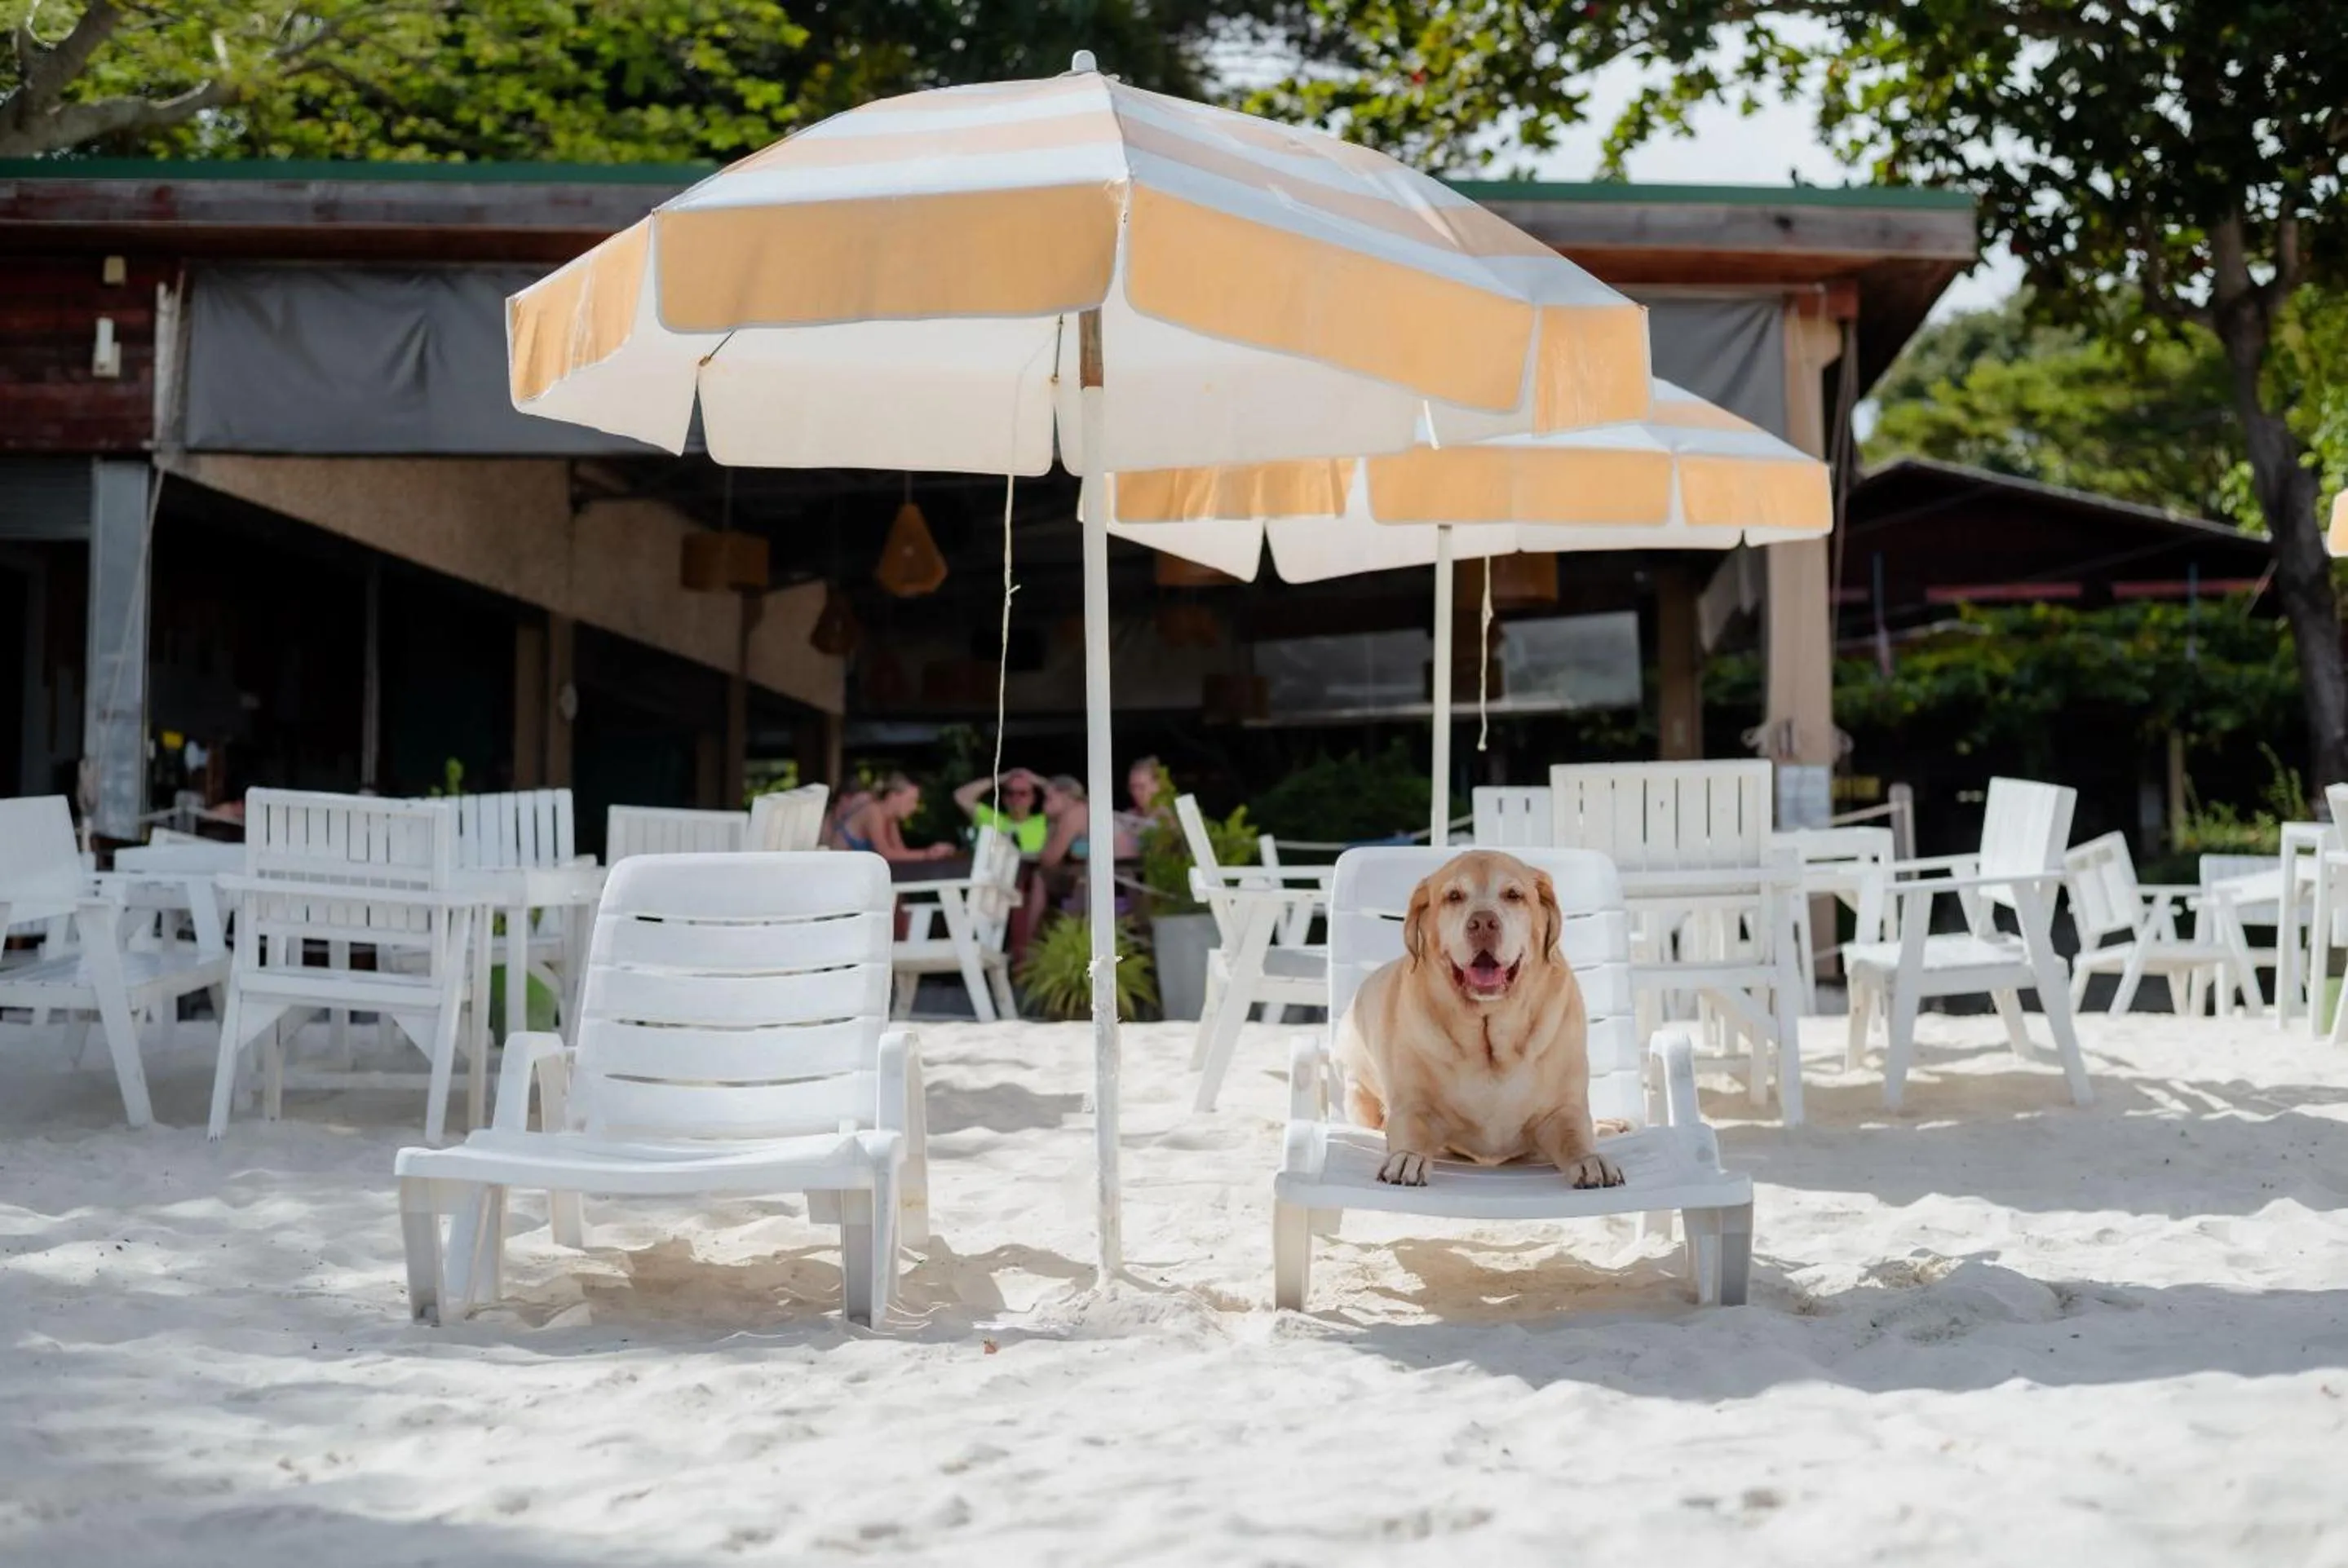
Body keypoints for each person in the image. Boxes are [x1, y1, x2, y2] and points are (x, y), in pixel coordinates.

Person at [829, 772, 955, 863]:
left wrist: (934, 852)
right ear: (894, 796)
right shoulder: (874, 811)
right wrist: (927, 854)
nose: (914, 807)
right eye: (911, 800)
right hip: (837, 876)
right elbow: (886, 854)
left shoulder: (890, 819)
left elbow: (900, 854)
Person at [953, 766, 1049, 855]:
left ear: (1033, 799)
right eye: (1010, 793)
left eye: (1022, 793)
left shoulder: (1046, 822)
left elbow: (1063, 800)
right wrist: (1000, 779)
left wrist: (1035, 779)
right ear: (1003, 798)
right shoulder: (990, 819)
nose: (1016, 799)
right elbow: (961, 796)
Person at [1114, 754, 1174, 859]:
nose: (1136, 793)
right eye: (1133, 787)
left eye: (1141, 787)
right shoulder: (1128, 816)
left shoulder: (1172, 818)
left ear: (1157, 786)